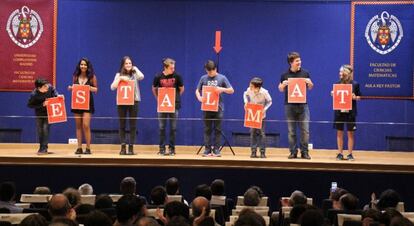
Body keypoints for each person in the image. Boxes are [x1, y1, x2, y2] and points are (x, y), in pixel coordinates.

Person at [278, 52, 313, 159]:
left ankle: (304, 152)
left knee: (305, 131)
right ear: (291, 63)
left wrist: (310, 83)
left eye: (300, 60)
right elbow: (280, 89)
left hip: (303, 106)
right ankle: (293, 152)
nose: (299, 62)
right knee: (291, 131)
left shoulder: (305, 73)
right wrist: (283, 85)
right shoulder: (284, 75)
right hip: (289, 106)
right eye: (297, 61)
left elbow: (310, 87)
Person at [196, 60, 234, 157]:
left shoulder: (222, 78)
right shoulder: (203, 78)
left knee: (218, 129)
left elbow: (231, 90)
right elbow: (197, 90)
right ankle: (207, 149)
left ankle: (216, 149)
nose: (209, 74)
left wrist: (222, 89)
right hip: (206, 108)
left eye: (211, 72)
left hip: (218, 108)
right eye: (208, 72)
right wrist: (199, 97)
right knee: (207, 129)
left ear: (215, 69)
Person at [111, 56, 144, 155]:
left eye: (130, 63)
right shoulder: (118, 74)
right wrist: (120, 79)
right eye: (126, 63)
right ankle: (123, 147)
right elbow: (112, 87)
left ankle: (131, 147)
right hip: (122, 102)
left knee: (133, 125)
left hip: (134, 101)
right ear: (123, 65)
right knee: (122, 125)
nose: (128, 65)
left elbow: (142, 76)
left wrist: (136, 68)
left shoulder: (135, 74)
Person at [152, 58, 184, 155]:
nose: (173, 69)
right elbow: (153, 88)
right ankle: (162, 148)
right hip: (162, 106)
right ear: (165, 67)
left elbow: (182, 89)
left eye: (174, 67)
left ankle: (172, 148)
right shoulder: (158, 76)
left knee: (173, 128)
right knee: (162, 127)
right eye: (171, 68)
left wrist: (174, 99)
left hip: (174, 105)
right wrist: (159, 99)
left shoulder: (177, 76)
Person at [68, 58, 98, 155]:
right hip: (77, 102)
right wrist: (71, 88)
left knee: (86, 125)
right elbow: (74, 87)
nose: (83, 66)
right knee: (78, 126)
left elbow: (96, 90)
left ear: (88, 66)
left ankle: (88, 148)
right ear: (79, 66)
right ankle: (79, 147)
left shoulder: (92, 77)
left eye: (85, 65)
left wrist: (89, 88)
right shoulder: (75, 76)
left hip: (88, 103)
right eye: (81, 64)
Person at [332, 65, 361, 161]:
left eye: (342, 72)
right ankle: (340, 153)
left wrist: (355, 97)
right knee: (339, 133)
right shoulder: (337, 84)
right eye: (340, 72)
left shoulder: (355, 84)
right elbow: (336, 97)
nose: (340, 73)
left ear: (348, 73)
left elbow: (359, 97)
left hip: (350, 112)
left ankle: (350, 154)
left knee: (350, 133)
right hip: (339, 112)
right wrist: (333, 94)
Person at [27, 78, 59, 155]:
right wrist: (42, 105)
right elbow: (30, 105)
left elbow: (54, 92)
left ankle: (44, 148)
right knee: (40, 131)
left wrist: (58, 96)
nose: (47, 87)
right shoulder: (34, 94)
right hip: (39, 114)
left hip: (49, 113)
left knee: (45, 129)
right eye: (44, 86)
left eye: (47, 85)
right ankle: (42, 148)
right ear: (39, 88)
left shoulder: (50, 87)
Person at [243, 77, 272, 158]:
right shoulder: (249, 90)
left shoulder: (264, 92)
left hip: (261, 115)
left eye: (252, 86)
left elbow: (270, 101)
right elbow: (245, 94)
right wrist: (246, 102)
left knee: (262, 134)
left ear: (257, 87)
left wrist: (264, 109)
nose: (250, 87)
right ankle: (253, 151)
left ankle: (262, 152)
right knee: (252, 133)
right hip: (252, 114)